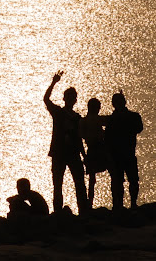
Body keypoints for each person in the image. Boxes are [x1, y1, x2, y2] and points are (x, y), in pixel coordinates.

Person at [43, 70, 88, 214]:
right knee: (58, 184)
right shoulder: (58, 112)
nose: (70, 99)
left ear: (75, 100)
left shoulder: (77, 118)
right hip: (59, 153)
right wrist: (54, 82)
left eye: (72, 97)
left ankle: (83, 211)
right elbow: (46, 99)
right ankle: (57, 212)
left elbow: (79, 138)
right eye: (68, 97)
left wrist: (84, 155)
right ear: (64, 99)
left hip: (74, 153)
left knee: (80, 183)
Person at [105, 91, 143, 210]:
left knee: (118, 181)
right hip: (128, 153)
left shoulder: (111, 119)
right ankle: (132, 204)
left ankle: (118, 205)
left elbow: (107, 138)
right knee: (131, 180)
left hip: (117, 155)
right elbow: (139, 128)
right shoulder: (133, 116)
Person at [80, 97, 109, 208]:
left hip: (91, 149)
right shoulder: (97, 119)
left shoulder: (84, 121)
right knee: (112, 172)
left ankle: (90, 202)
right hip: (100, 149)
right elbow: (109, 120)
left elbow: (82, 136)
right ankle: (116, 203)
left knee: (92, 179)